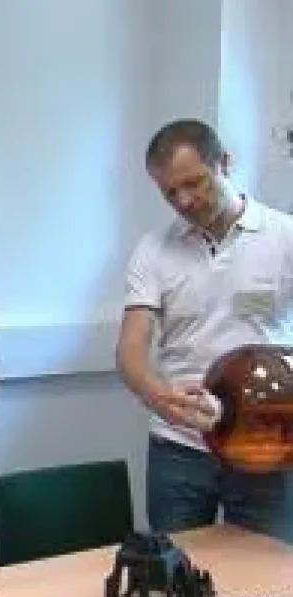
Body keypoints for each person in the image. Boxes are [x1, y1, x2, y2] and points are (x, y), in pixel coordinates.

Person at [117, 118, 293, 539]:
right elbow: (130, 349)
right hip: (179, 446)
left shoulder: (285, 238)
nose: (183, 201)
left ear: (224, 163)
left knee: (265, 570)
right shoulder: (153, 250)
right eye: (169, 192)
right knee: (174, 569)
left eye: (193, 183)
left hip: (263, 447)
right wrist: (157, 396)